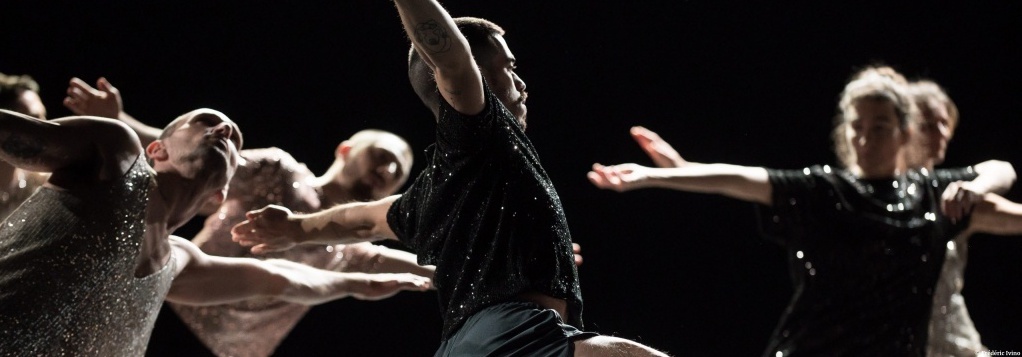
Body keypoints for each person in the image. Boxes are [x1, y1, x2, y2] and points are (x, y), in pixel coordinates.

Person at [232, 2, 667, 356]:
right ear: (475, 73)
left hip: (473, 344)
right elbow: (452, 61)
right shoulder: (479, 134)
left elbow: (368, 221)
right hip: (511, 334)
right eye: (508, 66)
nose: (521, 81)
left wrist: (294, 229)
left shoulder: (443, 183)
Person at [588, 68, 1012, 356]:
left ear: (904, 132)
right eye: (856, 128)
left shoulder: (935, 194)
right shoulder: (828, 190)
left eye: (879, 127)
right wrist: (654, 176)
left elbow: (1001, 169)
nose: (864, 140)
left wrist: (974, 187)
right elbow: (743, 179)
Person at [0, 108, 430, 356]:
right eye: (208, 120)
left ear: (221, 192)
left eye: (235, 138)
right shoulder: (114, 155)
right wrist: (120, 115)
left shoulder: (177, 262)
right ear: (158, 150)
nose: (225, 129)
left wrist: (360, 284)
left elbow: (284, 278)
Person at [0, 72, 50, 220]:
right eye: (33, 121)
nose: (47, 129)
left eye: (43, 118)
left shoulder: (40, 182)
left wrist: (116, 116)